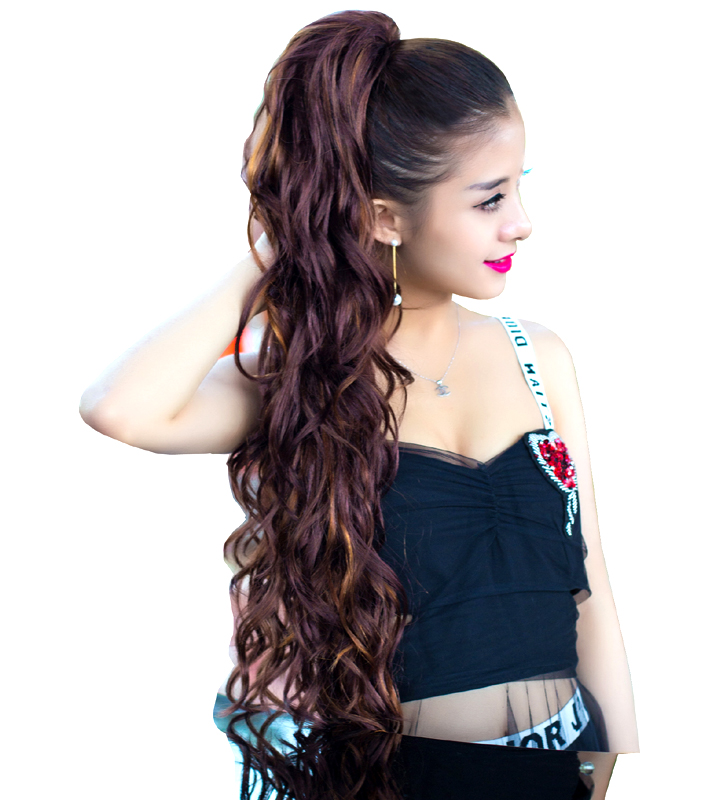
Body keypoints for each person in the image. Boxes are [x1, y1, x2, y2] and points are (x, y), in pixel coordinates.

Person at [79, 9, 637, 798]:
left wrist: (608, 771)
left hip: (559, 765)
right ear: (384, 217)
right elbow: (121, 409)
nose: (522, 224)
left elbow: (594, 590)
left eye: (520, 186)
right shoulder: (306, 378)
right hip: (394, 778)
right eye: (489, 200)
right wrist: (277, 246)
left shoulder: (539, 357)